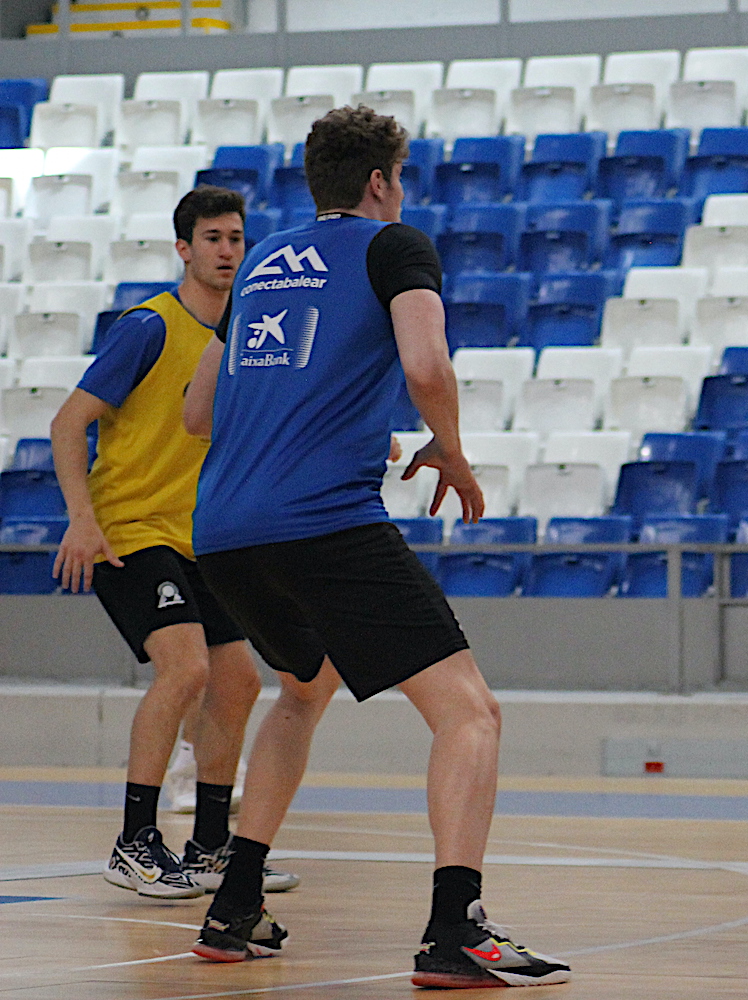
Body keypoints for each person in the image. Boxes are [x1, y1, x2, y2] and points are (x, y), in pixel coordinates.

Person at [179, 106, 569, 988]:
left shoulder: (263, 263)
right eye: (403, 176)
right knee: (469, 712)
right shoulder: (396, 246)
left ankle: (233, 905)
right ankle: (454, 929)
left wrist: (329, 425)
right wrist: (450, 446)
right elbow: (427, 367)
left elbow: (199, 413)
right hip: (321, 522)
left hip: (227, 532)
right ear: (382, 182)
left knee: (301, 690)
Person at [49, 187, 297, 900]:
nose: (228, 250)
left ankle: (214, 848)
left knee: (241, 680)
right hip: (129, 532)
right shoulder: (148, 327)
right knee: (185, 670)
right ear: (183, 248)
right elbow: (69, 424)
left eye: (237, 238)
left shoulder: (248, 333)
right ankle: (134, 843)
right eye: (213, 238)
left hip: (199, 537)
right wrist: (80, 518)